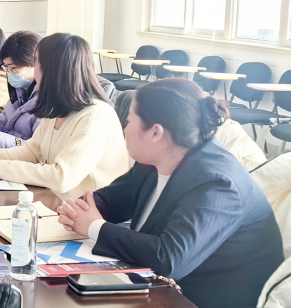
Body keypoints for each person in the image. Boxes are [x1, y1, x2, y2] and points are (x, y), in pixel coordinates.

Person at [56, 78, 284, 308]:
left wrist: (94, 227)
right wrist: (79, 210)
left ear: (155, 132)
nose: (124, 128)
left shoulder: (216, 183)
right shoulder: (156, 159)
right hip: (160, 289)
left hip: (201, 300)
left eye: (130, 120)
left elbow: (169, 258)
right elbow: (112, 199)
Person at [0, 33, 130, 200]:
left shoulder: (96, 115)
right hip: (59, 202)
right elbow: (31, 152)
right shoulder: (58, 108)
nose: (35, 72)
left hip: (89, 214)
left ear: (53, 71)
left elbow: (61, 177)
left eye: (37, 64)